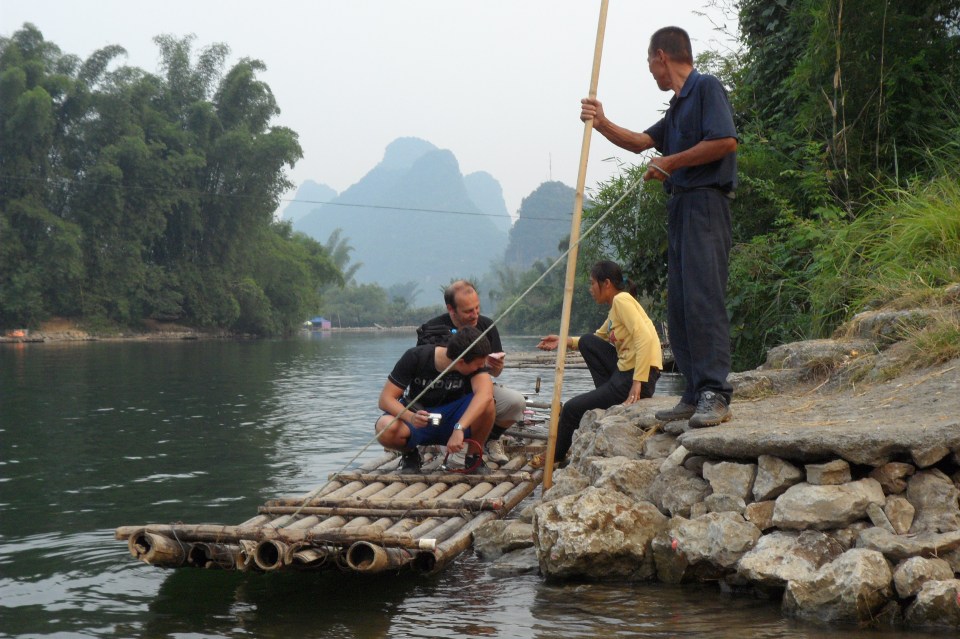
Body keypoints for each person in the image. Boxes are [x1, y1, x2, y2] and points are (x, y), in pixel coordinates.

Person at [579, 26, 737, 428]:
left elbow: (724, 141)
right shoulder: (676, 109)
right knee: (680, 303)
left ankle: (715, 392)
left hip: (705, 203)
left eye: (650, 62)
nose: (650, 71)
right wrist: (601, 122)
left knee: (704, 298)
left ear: (661, 56)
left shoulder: (706, 88)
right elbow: (639, 142)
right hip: (680, 206)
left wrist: (671, 162)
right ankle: (693, 392)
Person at [537, 261, 662, 461]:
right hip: (624, 374)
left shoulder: (622, 300)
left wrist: (637, 381)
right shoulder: (616, 307)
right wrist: (563, 341)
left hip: (634, 377)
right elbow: (597, 338)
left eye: (592, 283)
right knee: (587, 341)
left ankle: (555, 456)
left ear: (606, 283)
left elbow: (645, 337)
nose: (590, 288)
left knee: (570, 409)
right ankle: (605, 393)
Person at [416, 280, 526, 464]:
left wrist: (496, 366)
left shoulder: (486, 325)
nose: (475, 315)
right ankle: (437, 440)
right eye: (468, 311)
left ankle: (490, 439)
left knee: (515, 402)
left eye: (477, 308)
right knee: (455, 460)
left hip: (477, 388)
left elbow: (495, 373)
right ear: (451, 309)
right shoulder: (433, 330)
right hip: (445, 394)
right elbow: (424, 371)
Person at [376, 325, 495, 474]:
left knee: (488, 404)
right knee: (384, 427)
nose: (482, 366)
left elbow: (485, 395)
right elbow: (385, 399)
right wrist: (410, 417)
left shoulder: (475, 360)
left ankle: (473, 457)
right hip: (420, 418)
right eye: (478, 365)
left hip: (455, 418)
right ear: (461, 362)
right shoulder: (415, 356)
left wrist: (459, 428)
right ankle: (410, 454)